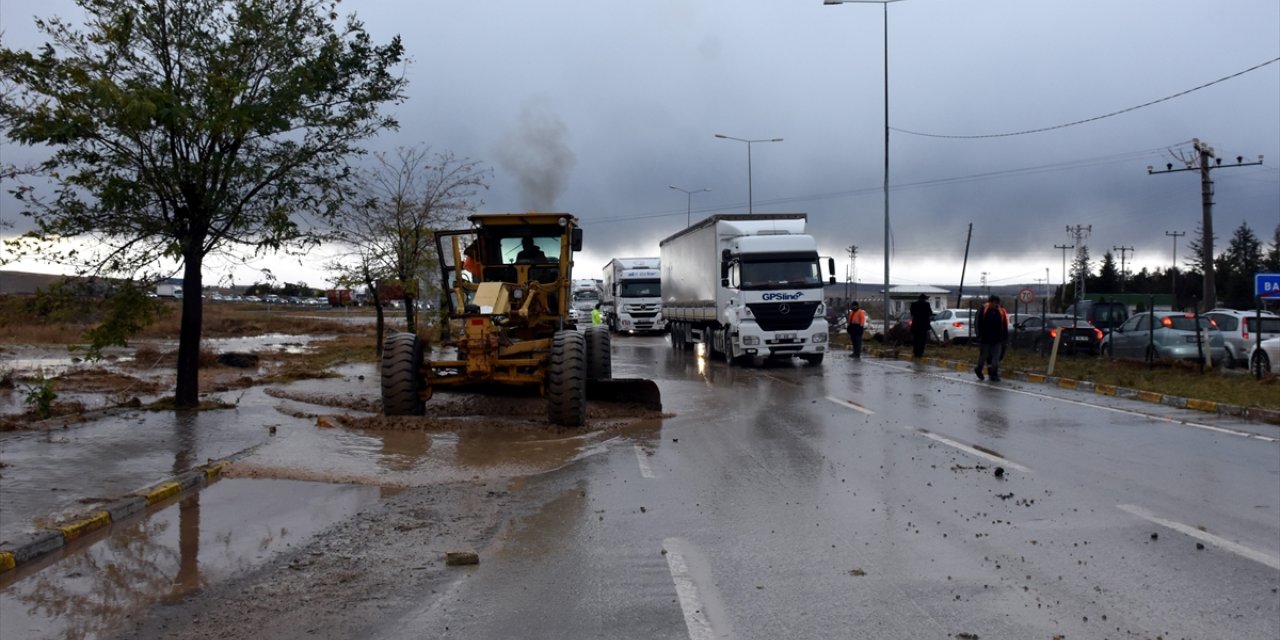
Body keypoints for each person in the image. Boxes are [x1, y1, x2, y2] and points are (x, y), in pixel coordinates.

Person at [974, 294, 1010, 381]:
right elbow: (977, 323)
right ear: (990, 302)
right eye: (994, 303)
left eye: (997, 303)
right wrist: (979, 336)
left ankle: (994, 374)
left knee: (996, 357)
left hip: (997, 339)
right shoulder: (983, 310)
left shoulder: (1000, 312)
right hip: (985, 339)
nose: (996, 305)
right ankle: (978, 369)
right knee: (984, 356)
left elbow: (1004, 325)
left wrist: (1004, 338)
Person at [909, 293, 932, 358]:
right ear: (924, 299)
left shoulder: (914, 304)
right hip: (924, 325)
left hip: (915, 325)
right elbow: (930, 313)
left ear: (919, 298)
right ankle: (920, 353)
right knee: (922, 340)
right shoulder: (926, 304)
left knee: (916, 339)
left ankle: (915, 352)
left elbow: (912, 313)